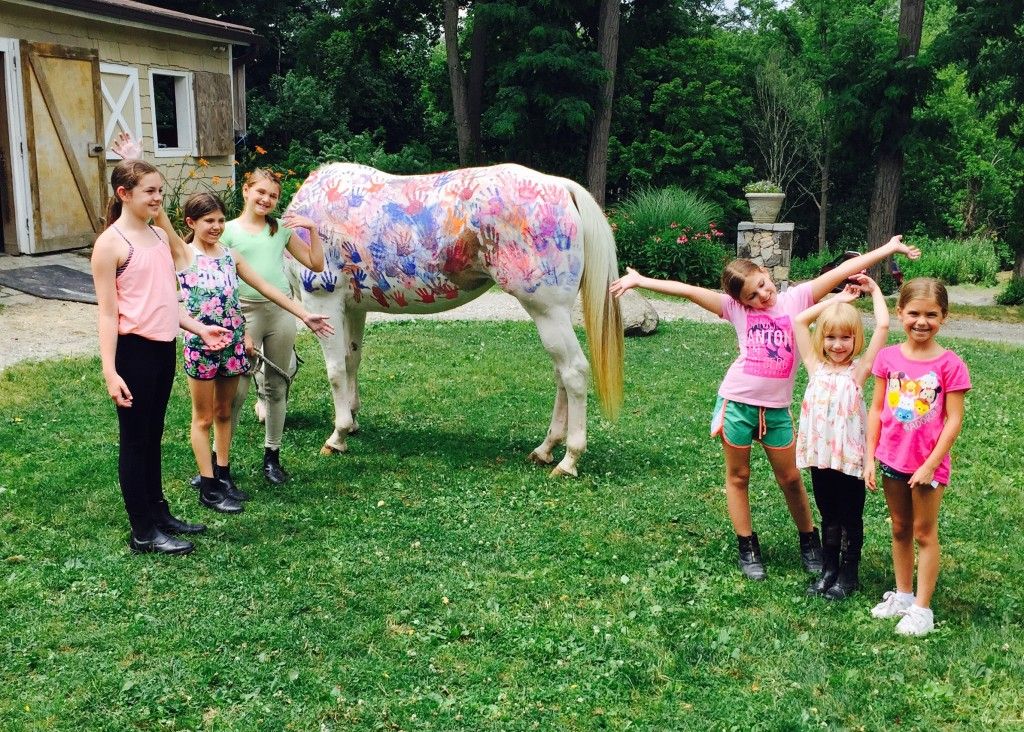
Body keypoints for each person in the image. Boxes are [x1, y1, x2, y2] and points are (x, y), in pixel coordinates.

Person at [609, 236, 920, 580]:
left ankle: (809, 540)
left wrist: (889, 249)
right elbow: (687, 290)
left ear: (764, 272)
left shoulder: (796, 298)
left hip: (775, 410)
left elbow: (844, 269)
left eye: (762, 285)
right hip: (737, 404)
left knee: (790, 478)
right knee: (738, 477)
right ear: (739, 301)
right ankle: (747, 545)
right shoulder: (734, 309)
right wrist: (641, 280)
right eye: (751, 296)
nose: (762, 296)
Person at [154, 193, 334, 514]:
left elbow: (268, 289)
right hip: (201, 346)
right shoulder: (183, 254)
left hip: (234, 343)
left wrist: (304, 314)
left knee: (225, 411)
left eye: (221, 220)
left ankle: (223, 476)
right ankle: (208, 487)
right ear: (191, 223)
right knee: (204, 417)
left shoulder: (230, 256)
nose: (216, 227)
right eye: (209, 221)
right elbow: (159, 219)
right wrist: (147, 186)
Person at [92, 154, 232, 555]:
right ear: (124, 194)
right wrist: (110, 371)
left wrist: (198, 327)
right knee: (135, 441)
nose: (158, 198)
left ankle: (159, 514)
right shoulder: (110, 245)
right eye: (150, 192)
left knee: (153, 436)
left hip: (163, 350)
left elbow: (164, 298)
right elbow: (108, 313)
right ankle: (142, 531)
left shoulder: (155, 236)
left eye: (160, 191)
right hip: (132, 354)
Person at [865, 278, 970, 636]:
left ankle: (922, 609)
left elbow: (953, 420)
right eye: (914, 313)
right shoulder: (887, 358)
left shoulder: (950, 364)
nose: (921, 321)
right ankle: (904, 595)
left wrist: (929, 465)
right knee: (899, 527)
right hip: (892, 459)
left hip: (928, 466)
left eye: (931, 314)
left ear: (944, 317)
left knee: (924, 532)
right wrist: (869, 458)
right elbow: (877, 410)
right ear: (899, 314)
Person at [222, 168, 326, 485]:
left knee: (276, 386)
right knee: (236, 392)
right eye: (261, 192)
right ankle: (218, 463)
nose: (266, 199)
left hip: (280, 312)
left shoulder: (279, 230)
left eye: (273, 196)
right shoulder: (226, 231)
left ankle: (272, 457)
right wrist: (237, 326)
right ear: (246, 191)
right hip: (244, 313)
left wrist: (313, 230)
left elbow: (315, 264)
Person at [793, 274, 890, 599]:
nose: (837, 345)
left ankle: (849, 574)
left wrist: (874, 290)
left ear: (855, 340)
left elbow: (883, 329)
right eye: (831, 337)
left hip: (849, 460)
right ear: (821, 339)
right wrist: (838, 300)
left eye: (845, 338)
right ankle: (829, 569)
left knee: (851, 516)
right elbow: (799, 320)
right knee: (828, 513)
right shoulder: (814, 366)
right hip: (821, 458)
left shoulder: (859, 372)